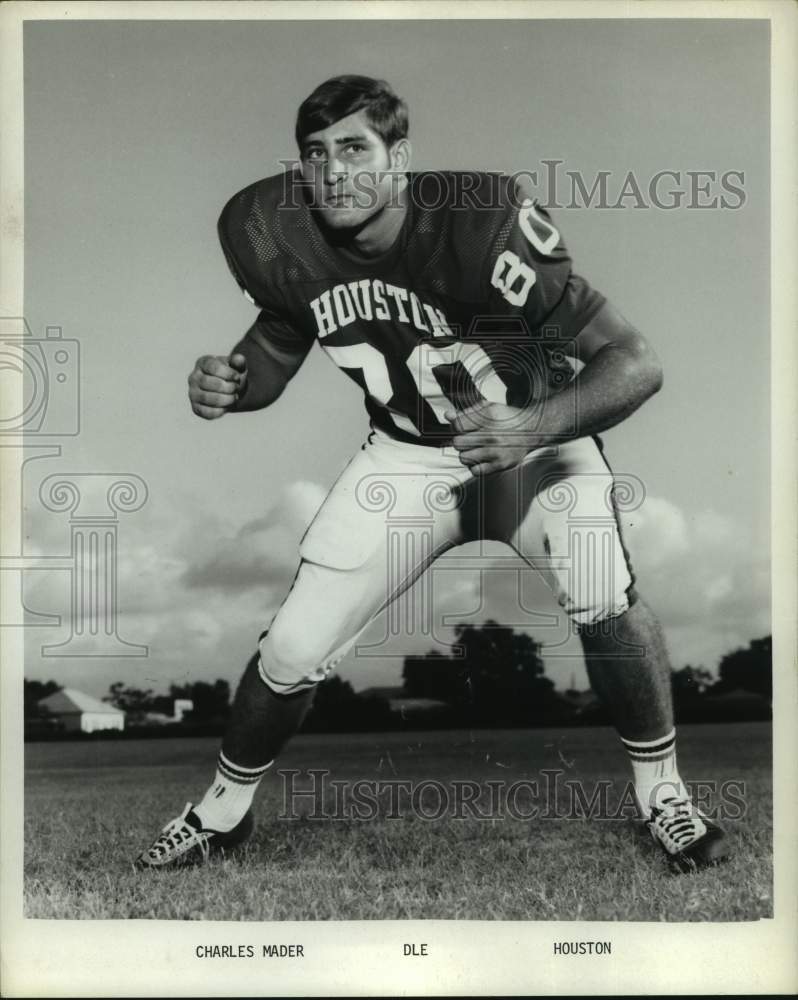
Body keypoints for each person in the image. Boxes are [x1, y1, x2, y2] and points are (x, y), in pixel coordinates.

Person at [136, 75, 728, 875]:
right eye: (316, 154)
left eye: (354, 149)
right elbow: (280, 341)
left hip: (528, 442)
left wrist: (533, 427)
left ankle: (663, 794)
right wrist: (234, 386)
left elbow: (636, 363)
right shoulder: (271, 230)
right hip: (405, 454)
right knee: (293, 647)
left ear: (400, 159)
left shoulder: (481, 223)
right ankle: (222, 811)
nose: (333, 172)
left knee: (602, 594)